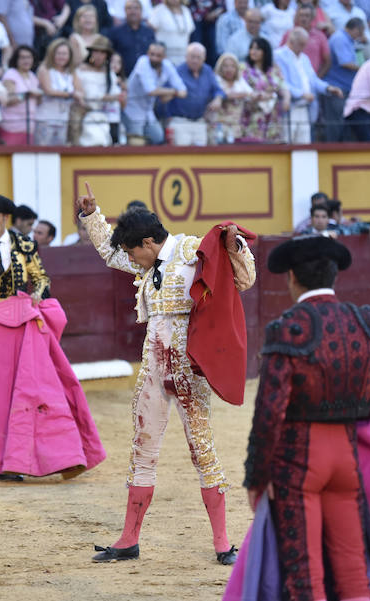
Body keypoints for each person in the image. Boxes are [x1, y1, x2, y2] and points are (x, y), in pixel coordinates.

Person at [76, 183, 255, 565]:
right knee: (142, 449)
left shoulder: (193, 251)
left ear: (147, 242)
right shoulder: (146, 257)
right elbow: (110, 252)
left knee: (202, 451)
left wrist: (236, 246)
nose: (129, 260)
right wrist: (92, 216)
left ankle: (223, 543)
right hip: (154, 369)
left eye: (132, 252)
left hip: (190, 369)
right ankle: (128, 539)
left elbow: (244, 279)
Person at [243, 235, 370, 601]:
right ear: (334, 276)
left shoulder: (287, 328)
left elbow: (269, 412)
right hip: (346, 458)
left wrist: (256, 477)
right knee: (352, 567)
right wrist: (353, 407)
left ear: (291, 277)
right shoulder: (368, 323)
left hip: (299, 460)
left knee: (305, 573)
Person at [0, 194, 98, 482]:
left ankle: (15, 459)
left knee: (19, 395)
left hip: (17, 329)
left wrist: (37, 296)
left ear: (5, 219)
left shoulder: (25, 246)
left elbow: (40, 278)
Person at [273, 27, 343, 144]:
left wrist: (328, 88)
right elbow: (280, 82)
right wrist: (301, 94)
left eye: (304, 44)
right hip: (290, 107)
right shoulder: (278, 56)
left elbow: (313, 80)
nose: (304, 48)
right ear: (291, 41)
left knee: (304, 144)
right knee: (286, 142)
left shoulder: (304, 58)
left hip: (306, 107)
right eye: (301, 44)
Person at [122, 41, 186, 145]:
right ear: (148, 53)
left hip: (148, 112)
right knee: (136, 143)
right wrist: (173, 92)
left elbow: (183, 91)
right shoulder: (143, 62)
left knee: (158, 138)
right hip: (132, 110)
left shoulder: (167, 65)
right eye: (152, 54)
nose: (154, 58)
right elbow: (151, 91)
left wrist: (170, 93)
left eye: (158, 55)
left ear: (164, 56)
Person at [165, 42, 223, 146]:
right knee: (180, 157)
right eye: (192, 57)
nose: (195, 60)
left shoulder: (208, 71)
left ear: (204, 58)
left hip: (200, 122)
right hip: (180, 122)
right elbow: (164, 96)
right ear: (186, 57)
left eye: (198, 57)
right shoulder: (177, 71)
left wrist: (218, 99)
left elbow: (218, 90)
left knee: (201, 159)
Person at [321, 17, 365, 142]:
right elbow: (345, 63)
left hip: (343, 87)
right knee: (335, 123)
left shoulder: (346, 39)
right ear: (356, 29)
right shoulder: (340, 38)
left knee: (342, 123)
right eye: (360, 32)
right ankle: (330, 153)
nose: (360, 36)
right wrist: (364, 69)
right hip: (336, 88)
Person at [34, 37, 82, 145]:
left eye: (65, 54)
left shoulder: (71, 72)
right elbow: (49, 91)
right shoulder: (44, 69)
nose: (62, 57)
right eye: (58, 53)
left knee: (59, 152)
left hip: (63, 119)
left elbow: (80, 91)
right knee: (43, 152)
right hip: (45, 119)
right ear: (52, 54)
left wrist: (76, 95)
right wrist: (71, 94)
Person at [241, 37, 289, 143]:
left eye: (257, 49)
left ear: (265, 51)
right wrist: (261, 95)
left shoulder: (274, 69)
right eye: (251, 48)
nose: (253, 51)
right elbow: (243, 90)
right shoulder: (244, 69)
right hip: (254, 115)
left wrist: (286, 98)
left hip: (273, 116)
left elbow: (283, 86)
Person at [75, 35, 120, 146]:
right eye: (96, 52)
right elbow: (84, 93)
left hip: (105, 116)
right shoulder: (80, 70)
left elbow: (115, 94)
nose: (99, 56)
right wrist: (104, 97)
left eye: (102, 53)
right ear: (91, 53)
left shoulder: (110, 74)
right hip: (84, 114)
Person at [0, 44, 41, 145]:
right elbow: (7, 100)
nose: (26, 61)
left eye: (29, 57)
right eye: (22, 57)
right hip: (11, 127)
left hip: (28, 127)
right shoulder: (11, 74)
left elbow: (37, 102)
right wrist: (26, 95)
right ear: (16, 59)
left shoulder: (32, 76)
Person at [106, 0, 155, 78]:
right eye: (129, 8)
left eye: (136, 8)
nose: (133, 11)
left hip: (147, 77)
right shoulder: (115, 32)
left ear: (141, 11)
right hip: (123, 77)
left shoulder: (149, 32)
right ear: (125, 11)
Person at [281, 3, 330, 76]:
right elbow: (280, 55)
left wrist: (317, 79)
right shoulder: (289, 34)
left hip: (311, 79)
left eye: (307, 16)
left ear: (313, 18)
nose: (303, 18)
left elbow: (327, 61)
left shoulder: (320, 36)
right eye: (301, 15)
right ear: (297, 17)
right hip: (291, 78)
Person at [211, 52, 250, 143]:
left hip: (236, 127)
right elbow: (224, 93)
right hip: (218, 126)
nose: (229, 69)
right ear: (220, 67)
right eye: (226, 66)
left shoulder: (240, 82)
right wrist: (241, 94)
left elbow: (250, 93)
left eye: (232, 66)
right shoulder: (215, 80)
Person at [148, 0, 195, 66]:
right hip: (164, 57)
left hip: (184, 57)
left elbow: (189, 34)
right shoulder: (158, 10)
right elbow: (150, 33)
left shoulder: (186, 10)